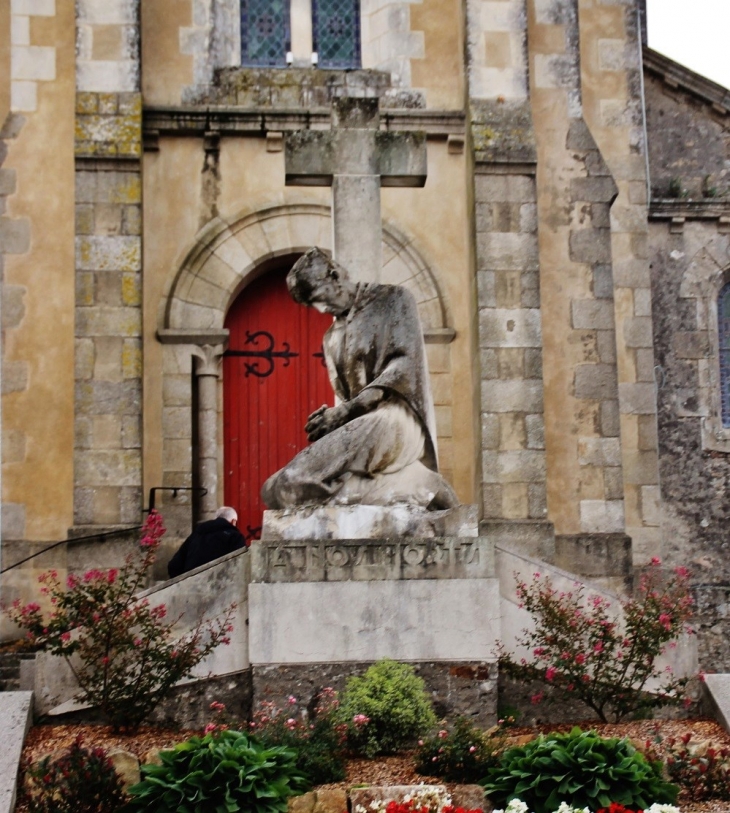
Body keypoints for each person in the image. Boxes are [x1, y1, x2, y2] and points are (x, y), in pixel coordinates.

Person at [261, 247, 458, 511]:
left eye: (319, 298)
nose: (320, 309)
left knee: (292, 480)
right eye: (312, 306)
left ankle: (417, 483)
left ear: (334, 275)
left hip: (395, 420)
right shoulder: (332, 338)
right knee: (275, 489)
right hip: (364, 423)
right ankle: (417, 484)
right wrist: (331, 421)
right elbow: (349, 398)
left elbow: (403, 366)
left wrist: (344, 412)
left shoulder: (394, 300)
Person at [167, 506, 246, 578]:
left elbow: (174, 565)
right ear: (233, 521)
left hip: (191, 581)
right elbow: (240, 564)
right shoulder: (235, 537)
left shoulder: (197, 534)